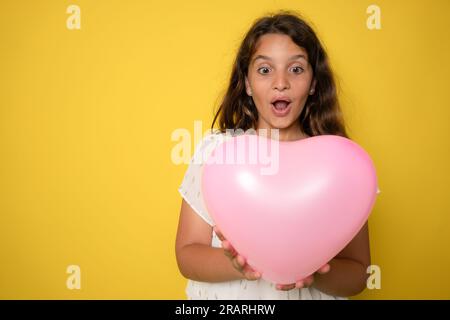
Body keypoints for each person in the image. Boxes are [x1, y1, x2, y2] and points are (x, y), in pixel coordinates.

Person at [175, 10, 379, 300]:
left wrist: (313, 272)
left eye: (296, 69)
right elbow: (186, 254)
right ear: (246, 83)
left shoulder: (341, 165)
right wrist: (239, 265)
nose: (280, 82)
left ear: (313, 84)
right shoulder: (217, 153)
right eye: (265, 70)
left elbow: (359, 274)